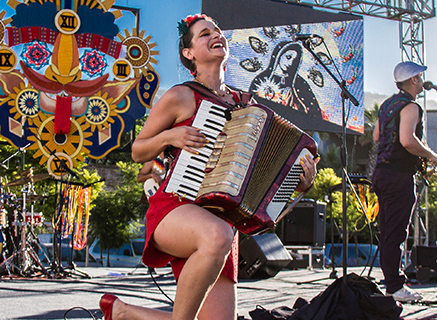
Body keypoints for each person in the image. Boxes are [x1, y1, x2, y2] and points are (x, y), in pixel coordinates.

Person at [99, 14, 317, 320]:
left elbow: (266, 189)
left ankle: (122, 312)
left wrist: (301, 182)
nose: (216, 36)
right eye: (204, 34)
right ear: (189, 54)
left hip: (222, 222)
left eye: (217, 32)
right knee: (216, 235)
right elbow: (137, 151)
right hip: (176, 208)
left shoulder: (245, 105)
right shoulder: (181, 96)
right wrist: (171, 135)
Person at [372, 61, 437, 302]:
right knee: (396, 231)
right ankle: (394, 286)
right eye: (420, 77)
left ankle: (392, 281)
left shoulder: (387, 104)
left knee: (389, 230)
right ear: (413, 81)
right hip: (398, 174)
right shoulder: (411, 107)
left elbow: (377, 135)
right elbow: (407, 140)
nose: (422, 81)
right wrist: (431, 155)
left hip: (381, 173)